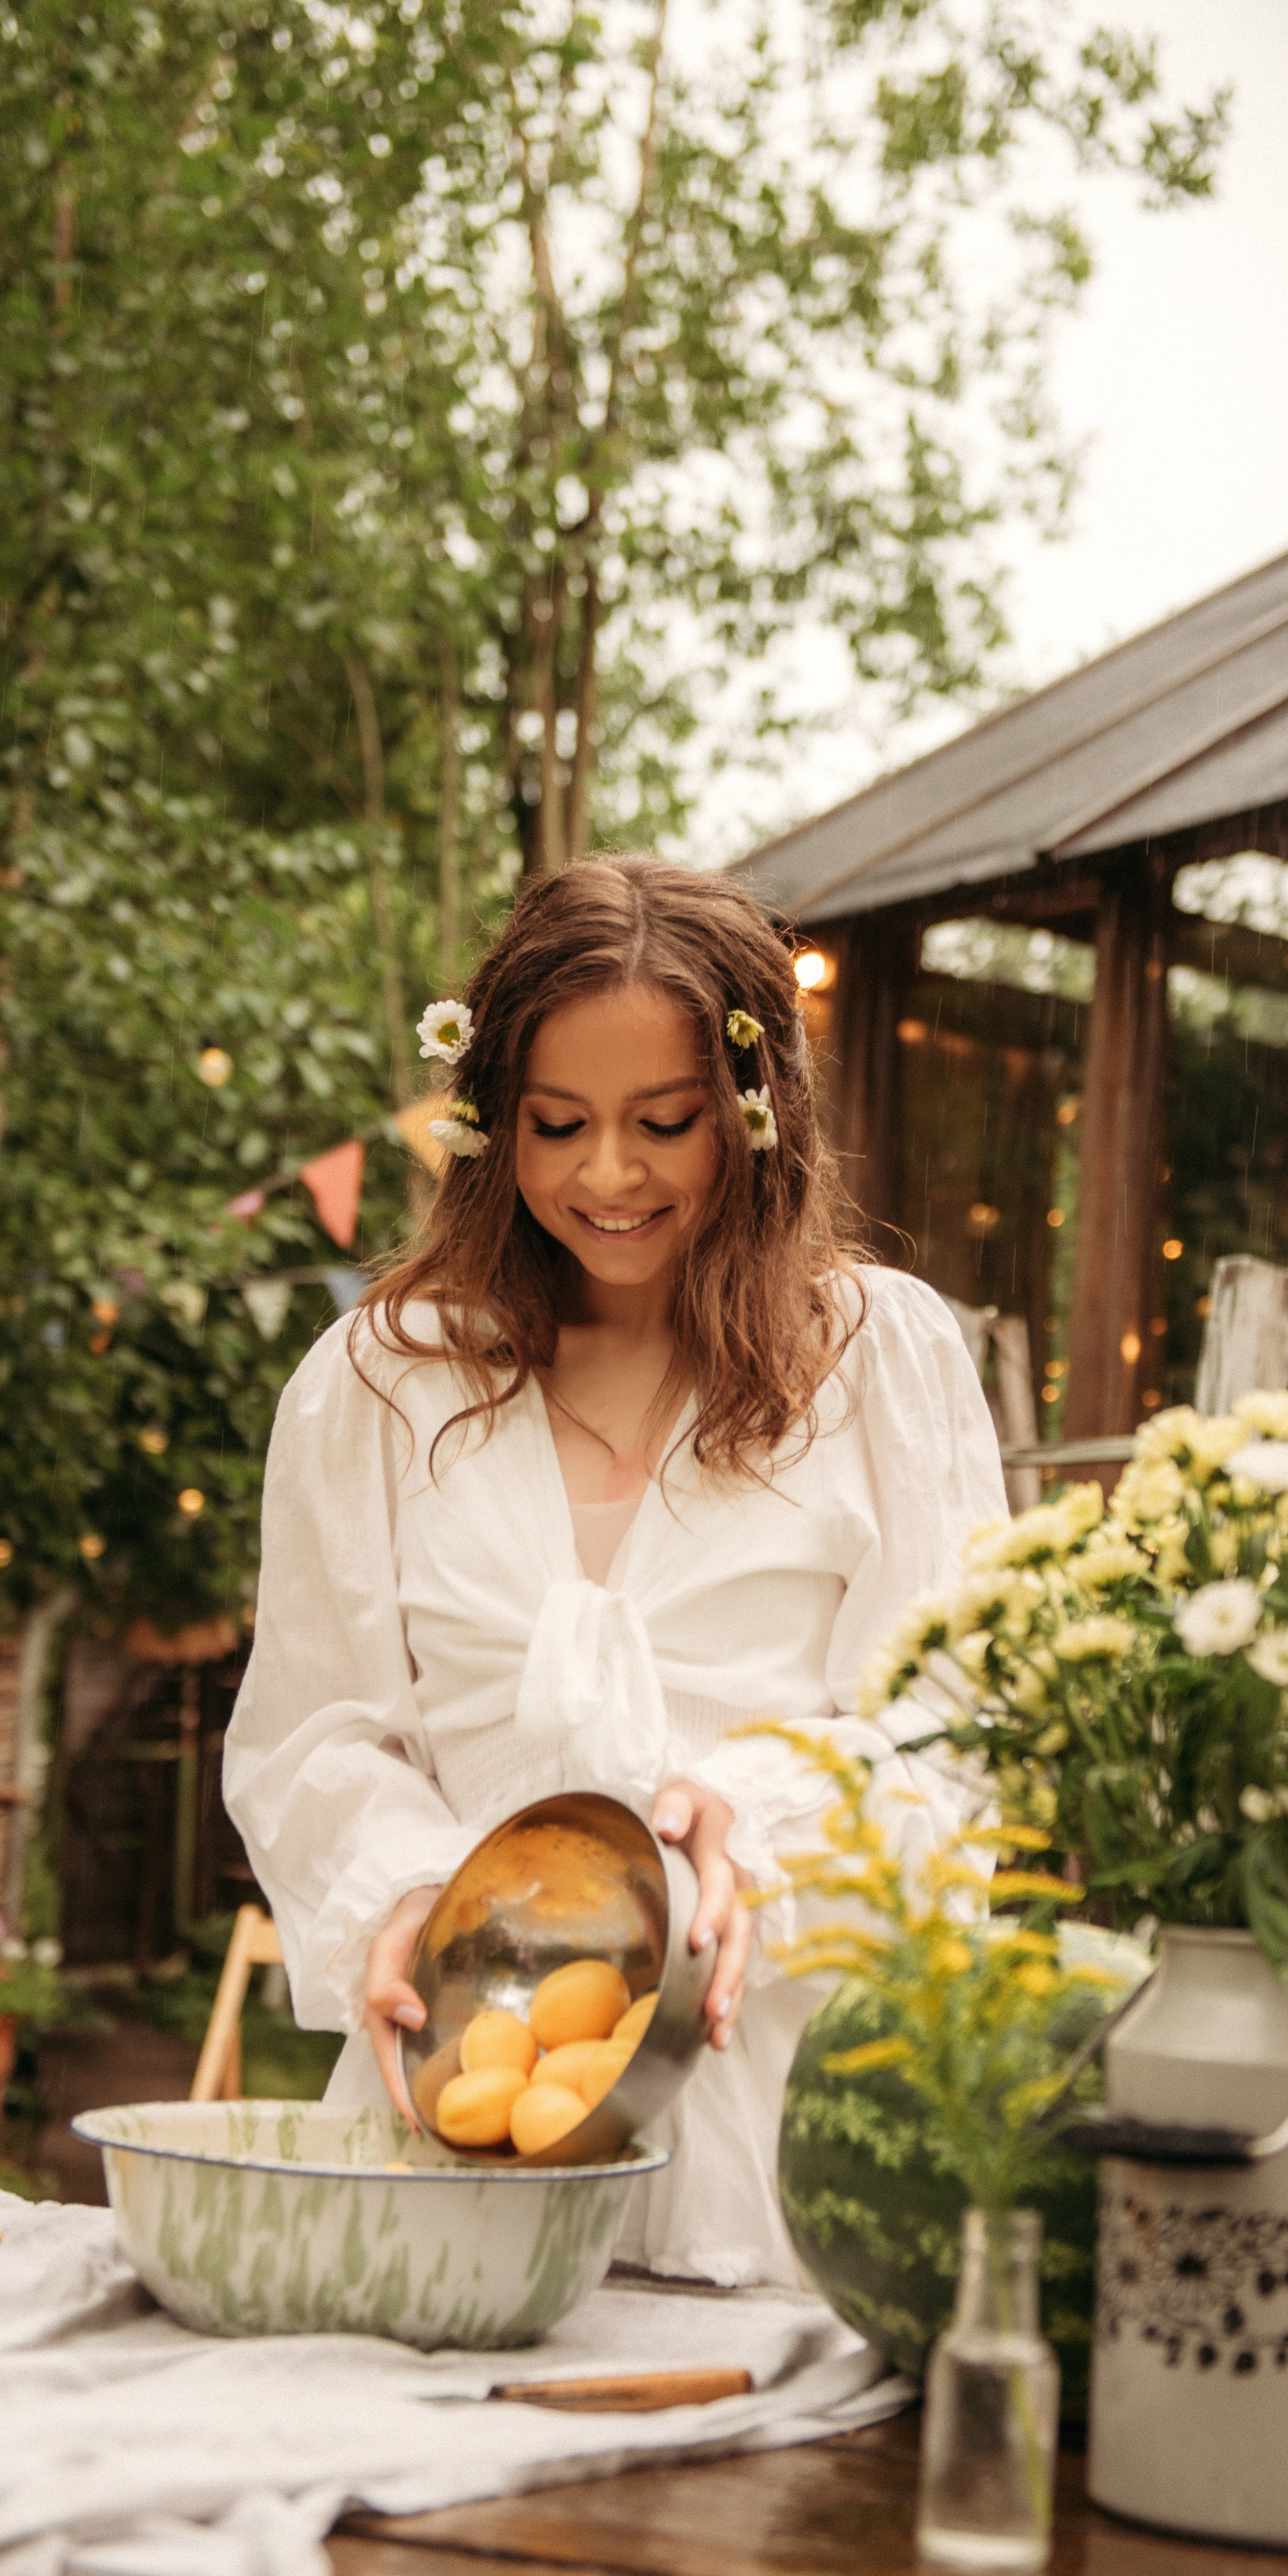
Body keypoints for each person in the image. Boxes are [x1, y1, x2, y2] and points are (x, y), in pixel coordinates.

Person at [222, 856, 1006, 2287]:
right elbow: (312, 1734)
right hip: (459, 2109)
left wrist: (752, 1820)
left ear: (759, 1117)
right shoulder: (381, 1383)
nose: (607, 1175)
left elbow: (958, 1738)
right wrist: (409, 1889)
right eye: (556, 1124)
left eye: (665, 1122)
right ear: (485, 1121)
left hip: (784, 2146)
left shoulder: (880, 1359)